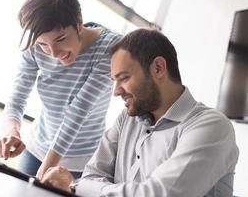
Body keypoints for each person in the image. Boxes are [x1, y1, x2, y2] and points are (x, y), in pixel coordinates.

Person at [40, 28, 239, 197]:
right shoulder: (127, 119)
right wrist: (87, 186)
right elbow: (92, 175)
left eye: (124, 78)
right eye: (114, 81)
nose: (116, 91)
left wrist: (76, 186)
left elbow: (158, 194)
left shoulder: (212, 126)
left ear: (158, 68)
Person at [0, 0, 121, 179]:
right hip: (37, 149)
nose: (53, 53)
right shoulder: (35, 42)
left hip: (82, 162)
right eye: (43, 44)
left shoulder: (110, 47)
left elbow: (78, 111)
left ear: (79, 22)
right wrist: (11, 131)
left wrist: (42, 175)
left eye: (60, 39)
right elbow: (17, 97)